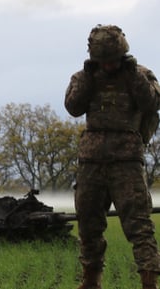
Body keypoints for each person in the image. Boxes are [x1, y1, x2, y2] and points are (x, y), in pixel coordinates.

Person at [65, 25, 160, 289]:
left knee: (139, 226)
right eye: (102, 61)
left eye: (113, 61)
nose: (108, 66)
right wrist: (88, 76)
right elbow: (73, 107)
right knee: (89, 224)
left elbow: (152, 104)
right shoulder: (85, 77)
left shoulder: (140, 76)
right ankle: (91, 282)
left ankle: (149, 283)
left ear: (122, 55)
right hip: (91, 162)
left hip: (126, 161)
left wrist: (133, 76)